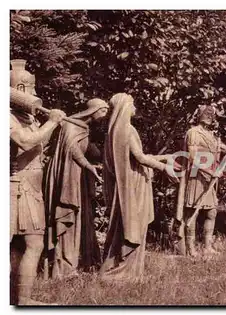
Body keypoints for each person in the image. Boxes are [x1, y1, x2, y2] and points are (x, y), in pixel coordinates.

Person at [100, 93, 178, 281]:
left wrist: (163, 158)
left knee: (125, 225)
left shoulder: (113, 131)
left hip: (126, 184)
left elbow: (135, 157)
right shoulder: (127, 130)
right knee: (135, 225)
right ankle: (127, 273)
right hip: (134, 187)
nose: (135, 107)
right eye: (132, 104)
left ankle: (123, 268)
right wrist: (164, 168)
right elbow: (140, 158)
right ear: (125, 107)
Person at [10, 59, 66, 305]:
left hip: (30, 189)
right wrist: (52, 122)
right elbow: (26, 142)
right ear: (20, 90)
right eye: (32, 89)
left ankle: (22, 298)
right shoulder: (8, 117)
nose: (36, 94)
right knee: (23, 243)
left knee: (32, 243)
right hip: (15, 188)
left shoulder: (27, 117)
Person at [44, 98, 109, 279]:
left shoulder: (83, 127)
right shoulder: (71, 125)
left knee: (79, 216)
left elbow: (85, 152)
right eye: (103, 111)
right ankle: (63, 267)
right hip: (67, 177)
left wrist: (93, 165)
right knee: (68, 215)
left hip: (77, 177)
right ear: (93, 110)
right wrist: (88, 166)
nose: (105, 115)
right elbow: (72, 150)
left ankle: (77, 261)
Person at [181, 105, 226, 257]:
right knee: (192, 213)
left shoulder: (212, 135)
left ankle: (207, 246)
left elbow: (225, 150)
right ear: (200, 115)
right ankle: (191, 248)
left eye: (212, 114)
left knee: (211, 212)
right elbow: (193, 158)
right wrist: (211, 172)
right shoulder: (193, 133)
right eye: (206, 113)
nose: (209, 116)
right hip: (197, 177)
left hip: (209, 179)